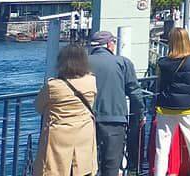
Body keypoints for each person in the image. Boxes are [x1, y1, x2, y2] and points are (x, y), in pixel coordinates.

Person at [153, 28, 190, 176]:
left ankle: (159, 173)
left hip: (165, 108)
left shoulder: (162, 63)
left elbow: (159, 82)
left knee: (162, 147)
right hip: (189, 108)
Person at [36, 44, 98, 176]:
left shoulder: (53, 86)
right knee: (82, 169)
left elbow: (38, 106)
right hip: (84, 134)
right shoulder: (91, 81)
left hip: (59, 137)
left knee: (55, 169)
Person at [87, 31, 138, 176]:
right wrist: (139, 114)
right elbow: (134, 92)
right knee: (112, 164)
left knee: (87, 164)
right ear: (109, 44)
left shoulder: (82, 62)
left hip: (87, 120)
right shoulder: (122, 62)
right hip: (115, 120)